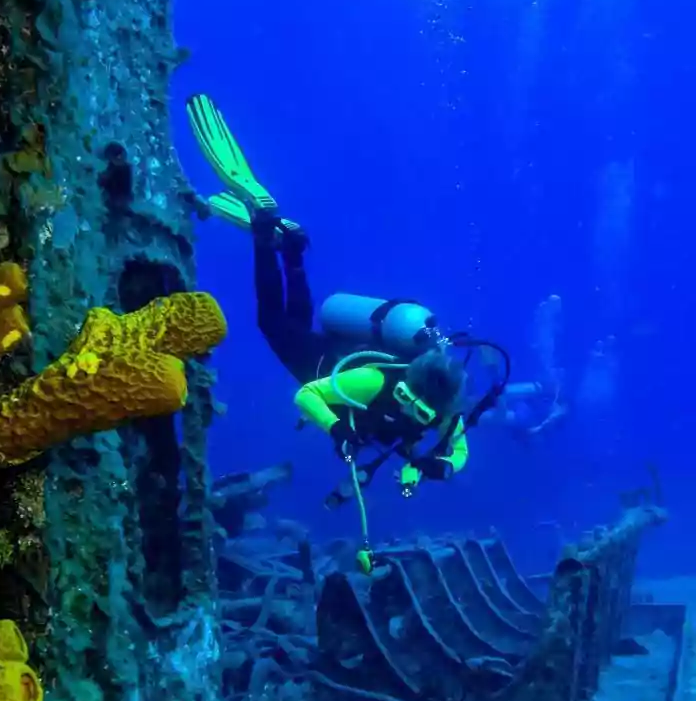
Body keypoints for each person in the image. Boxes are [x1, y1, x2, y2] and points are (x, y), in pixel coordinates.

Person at [186, 95, 509, 562]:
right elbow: (307, 396)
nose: (412, 414)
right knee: (272, 322)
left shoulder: (445, 415)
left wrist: (428, 468)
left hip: (334, 356)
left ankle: (291, 248)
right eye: (410, 403)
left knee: (294, 321)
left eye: (419, 413)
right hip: (323, 370)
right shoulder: (381, 381)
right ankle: (264, 230)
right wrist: (338, 429)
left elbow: (458, 456)